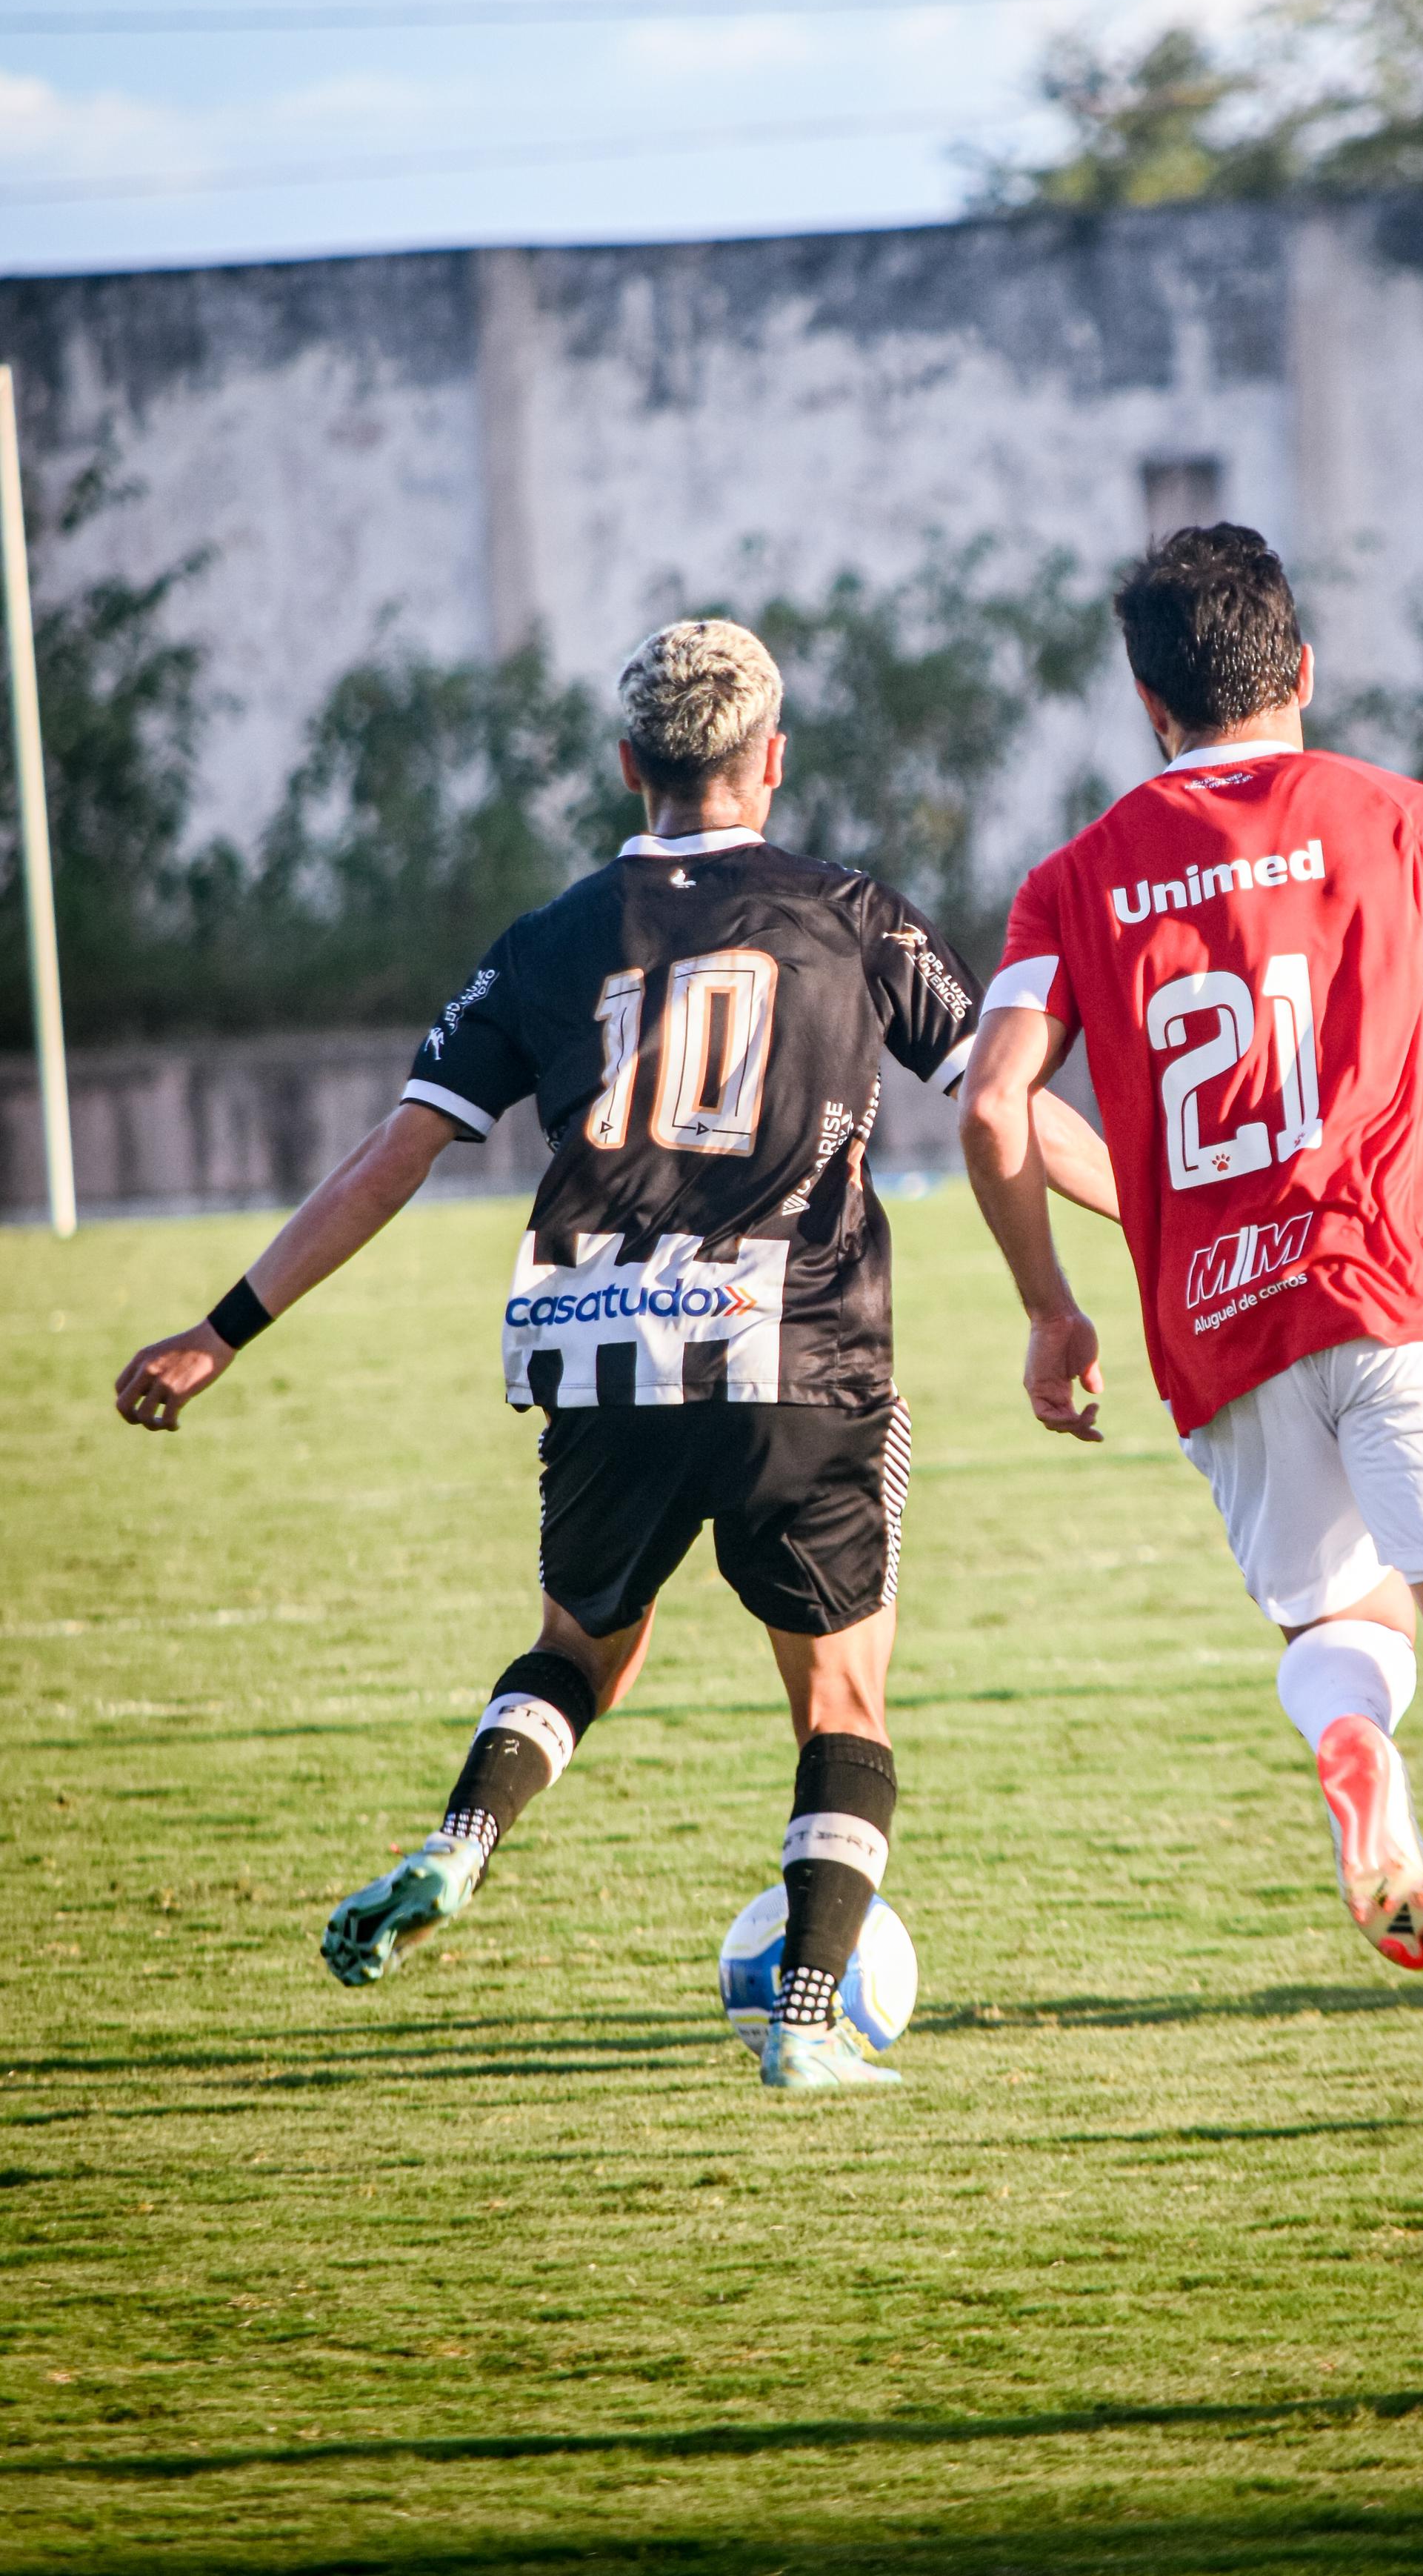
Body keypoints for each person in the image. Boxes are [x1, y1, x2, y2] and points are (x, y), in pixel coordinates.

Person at [114, 616, 1110, 2097]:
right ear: (770, 761)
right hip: (794, 1344)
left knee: (583, 1646)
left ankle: (461, 1844)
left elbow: (391, 1162)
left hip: (595, 1344)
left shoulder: (546, 941)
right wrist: (1172, 1213)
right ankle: (810, 2017)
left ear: (628, 766)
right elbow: (1010, 1108)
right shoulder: (853, 915)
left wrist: (221, 1328)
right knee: (841, 1700)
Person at [958, 526, 1423, 2126]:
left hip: (1218, 1327)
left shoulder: (1075, 874)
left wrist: (1053, 1307)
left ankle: (1347, 1750)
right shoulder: (1402, 819)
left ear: (1144, 699)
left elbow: (988, 1111)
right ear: (1299, 667)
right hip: (1402, 1276)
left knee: (1337, 1628)